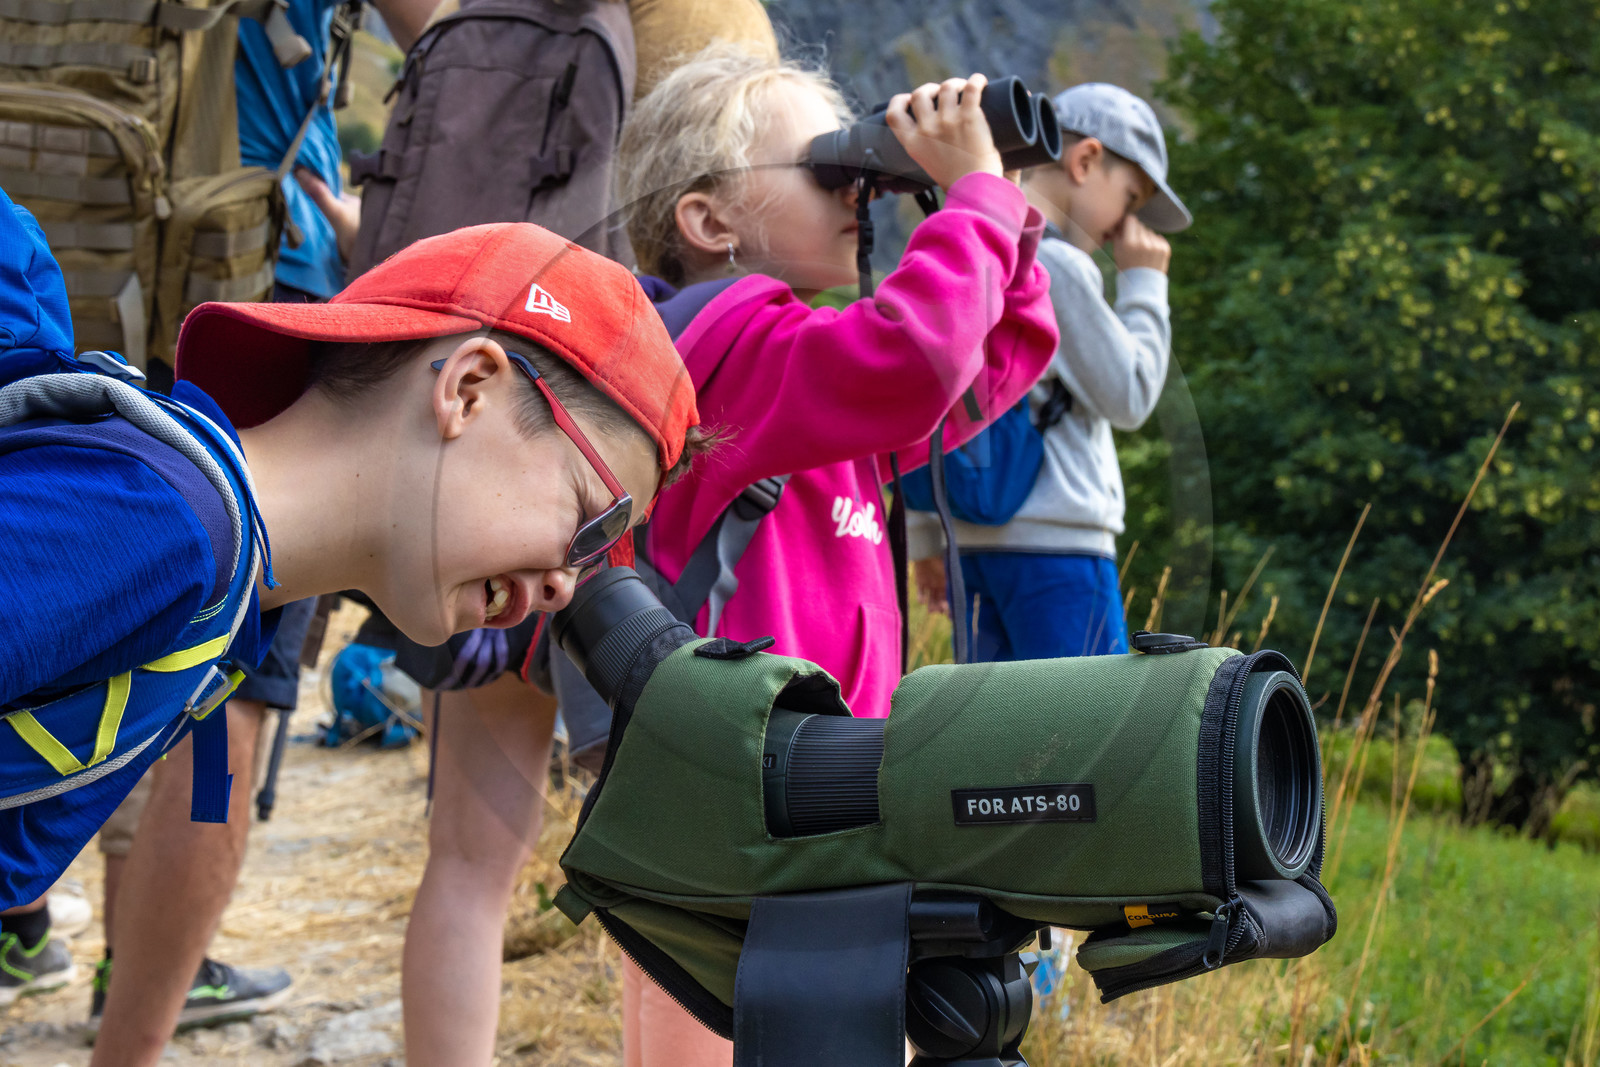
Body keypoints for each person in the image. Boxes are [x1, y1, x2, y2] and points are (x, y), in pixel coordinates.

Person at [402, 44, 1057, 1067]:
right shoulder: (721, 344)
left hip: (812, 777)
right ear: (710, 221)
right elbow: (919, 357)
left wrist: (1000, 208)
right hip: (731, 782)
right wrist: (967, 197)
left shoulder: (806, 368)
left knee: (825, 1026)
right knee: (723, 1036)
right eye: (830, 168)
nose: (858, 192)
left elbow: (986, 366)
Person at [0, 198, 700, 1067]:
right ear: (468, 388)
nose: (564, 584)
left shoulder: (224, 603)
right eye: (593, 522)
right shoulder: (165, 527)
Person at [82, 0, 442, 1046]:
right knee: (219, 695)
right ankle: (134, 1028)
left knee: (77, 629)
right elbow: (458, 42)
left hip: (69, 258)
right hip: (247, 293)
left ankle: (120, 954)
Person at [912, 82, 1190, 661]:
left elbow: (927, 394)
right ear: (1086, 160)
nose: (1125, 227)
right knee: (1081, 735)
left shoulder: (970, 251)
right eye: (1131, 198)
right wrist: (1145, 284)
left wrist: (924, 539)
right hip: (1060, 549)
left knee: (994, 732)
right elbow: (1133, 396)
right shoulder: (1057, 265)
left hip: (969, 547)